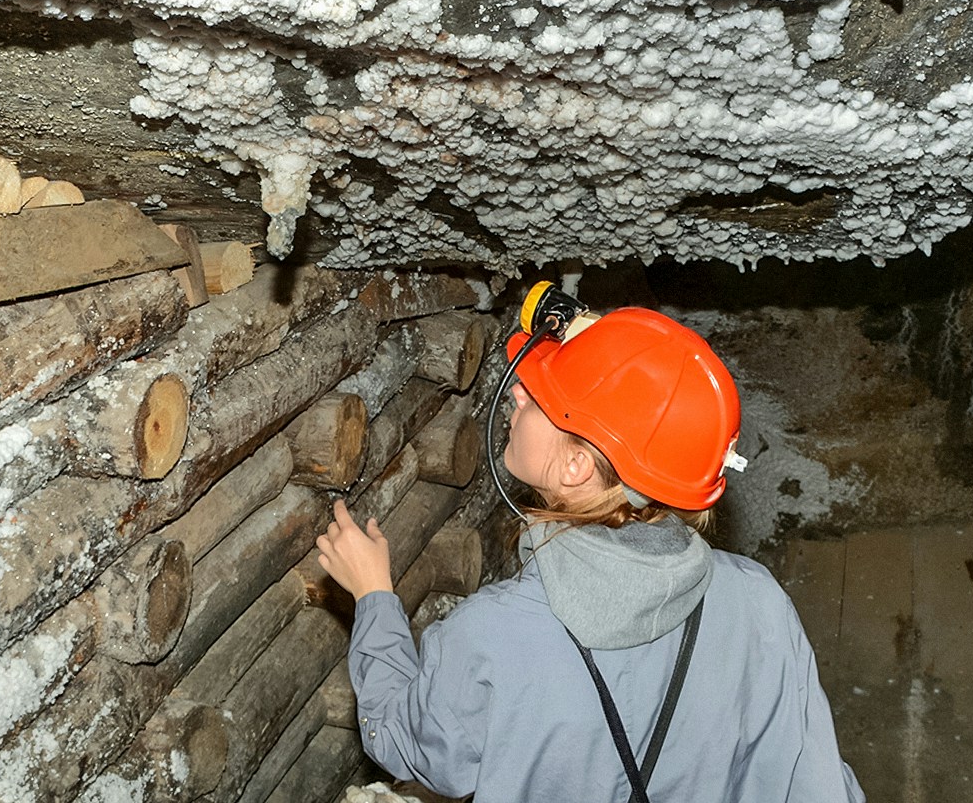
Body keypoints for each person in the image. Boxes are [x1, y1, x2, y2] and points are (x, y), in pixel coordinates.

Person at [315, 298, 864, 803]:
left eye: (543, 399)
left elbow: (401, 741)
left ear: (576, 467)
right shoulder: (758, 602)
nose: (517, 394)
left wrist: (374, 596)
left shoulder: (493, 636)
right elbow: (815, 783)